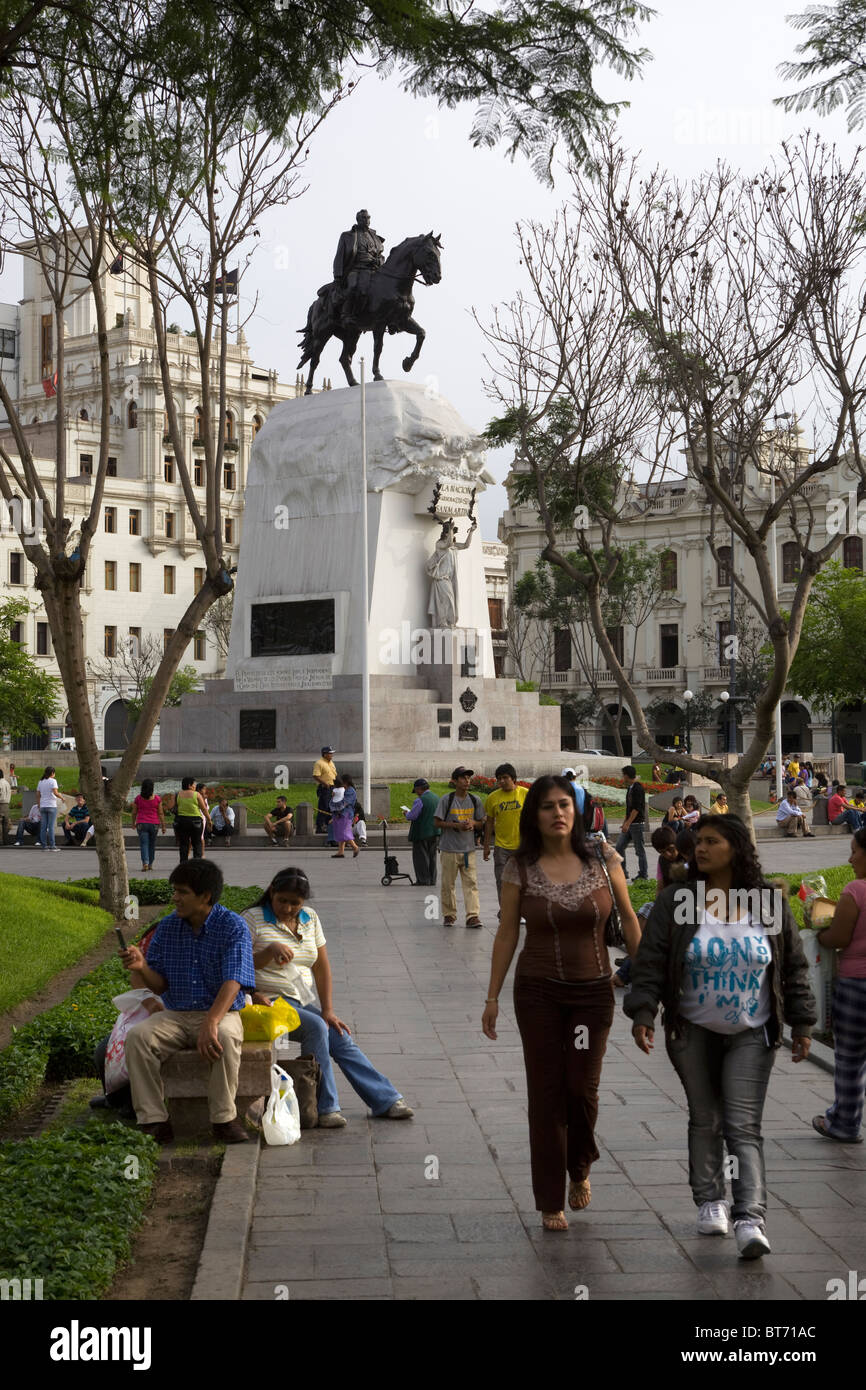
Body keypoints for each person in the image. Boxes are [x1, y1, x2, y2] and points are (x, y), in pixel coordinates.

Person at [625, 814, 816, 1259]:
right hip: (691, 1028)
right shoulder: (679, 900)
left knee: (743, 1125)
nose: (701, 849)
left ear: (736, 847)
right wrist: (643, 1012)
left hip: (753, 1030)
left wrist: (803, 1023)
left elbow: (793, 966)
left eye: (712, 841)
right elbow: (651, 961)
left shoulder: (766, 900)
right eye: (699, 842)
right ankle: (711, 1202)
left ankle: (750, 1216)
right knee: (705, 1118)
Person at [482, 775, 641, 1231]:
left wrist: (650, 981)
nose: (557, 813)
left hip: (593, 993)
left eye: (564, 805)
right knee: (546, 1095)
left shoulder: (604, 859)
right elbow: (508, 930)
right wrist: (491, 996)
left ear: (577, 810)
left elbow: (630, 920)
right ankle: (551, 1199)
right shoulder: (520, 867)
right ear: (535, 814)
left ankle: (581, 1164)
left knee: (581, 1091)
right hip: (537, 992)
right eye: (548, 806)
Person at [243, 868, 413, 1127]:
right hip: (266, 1002)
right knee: (316, 1028)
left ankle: (385, 1100)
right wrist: (268, 954)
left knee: (339, 1035)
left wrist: (328, 1009)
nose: (288, 908)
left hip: (298, 1000)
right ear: (272, 893)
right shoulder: (252, 919)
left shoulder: (310, 918)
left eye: (295, 903)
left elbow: (321, 967)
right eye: (282, 901)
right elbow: (236, 965)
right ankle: (325, 1107)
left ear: (304, 903)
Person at [120, 859, 256, 1144]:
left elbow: (234, 981)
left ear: (205, 896)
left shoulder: (233, 927)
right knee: (138, 1038)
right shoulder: (168, 928)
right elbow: (160, 985)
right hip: (176, 1014)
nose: (175, 898)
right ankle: (154, 1121)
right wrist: (142, 966)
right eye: (175, 891)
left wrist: (211, 1021)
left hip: (221, 1011)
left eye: (182, 892)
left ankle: (224, 1120)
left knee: (225, 1038)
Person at [811, 826, 866, 1144]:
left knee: (849, 1060)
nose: (850, 858)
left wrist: (819, 934)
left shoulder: (856, 891)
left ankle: (845, 1124)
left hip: (856, 988)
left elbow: (839, 938)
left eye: (854, 851)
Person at [434, 767, 486, 928]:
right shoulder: (446, 799)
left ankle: (472, 916)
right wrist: (455, 825)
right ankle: (449, 915)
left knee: (471, 883)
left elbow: (481, 821)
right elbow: (437, 822)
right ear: (454, 781)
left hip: (468, 849)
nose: (467, 781)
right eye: (463, 778)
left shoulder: (475, 799)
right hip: (449, 849)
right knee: (448, 884)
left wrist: (473, 823)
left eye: (468, 778)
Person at [484, 764, 528, 912]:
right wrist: (485, 846)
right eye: (498, 779)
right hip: (501, 847)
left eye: (505, 778)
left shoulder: (525, 794)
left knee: (522, 882)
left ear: (514, 779)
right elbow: (489, 823)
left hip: (522, 847)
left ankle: (520, 911)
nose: (501, 781)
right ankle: (506, 912)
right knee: (502, 882)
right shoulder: (493, 797)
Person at [402, 777, 441, 886]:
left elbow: (412, 816)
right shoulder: (436, 798)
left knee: (421, 857)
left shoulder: (420, 800)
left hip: (422, 833)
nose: (417, 794)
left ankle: (423, 880)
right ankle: (432, 879)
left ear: (419, 789)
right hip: (435, 832)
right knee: (432, 857)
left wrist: (406, 814)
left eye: (416, 791)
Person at [615, 766, 649, 881]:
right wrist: (624, 823)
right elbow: (629, 809)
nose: (622, 777)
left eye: (623, 774)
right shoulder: (630, 788)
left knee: (639, 851)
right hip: (629, 825)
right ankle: (623, 872)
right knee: (619, 846)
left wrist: (628, 823)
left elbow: (636, 808)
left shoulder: (637, 788)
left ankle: (643, 874)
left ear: (627, 775)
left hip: (637, 824)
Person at [175, 776, 211, 860]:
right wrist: (209, 820)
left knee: (184, 844)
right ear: (189, 785)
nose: (195, 786)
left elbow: (172, 806)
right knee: (197, 843)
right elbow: (204, 809)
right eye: (194, 784)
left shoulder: (178, 794)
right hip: (196, 821)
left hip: (182, 821)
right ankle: (196, 863)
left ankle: (183, 863)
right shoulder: (196, 794)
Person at [133, 779, 165, 872]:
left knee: (144, 844)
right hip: (154, 824)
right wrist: (163, 826)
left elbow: (134, 812)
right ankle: (150, 864)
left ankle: (145, 863)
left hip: (141, 824)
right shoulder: (157, 799)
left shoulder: (138, 798)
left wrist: (133, 823)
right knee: (152, 844)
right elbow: (161, 813)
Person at [330, 775, 359, 858]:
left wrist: (336, 807)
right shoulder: (341, 790)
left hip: (345, 814)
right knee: (339, 831)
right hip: (338, 814)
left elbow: (345, 803)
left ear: (346, 782)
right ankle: (341, 851)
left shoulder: (350, 791)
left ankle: (355, 847)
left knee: (344, 832)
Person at [313, 746, 338, 839]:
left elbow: (334, 774)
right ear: (325, 754)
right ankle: (319, 826)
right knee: (324, 807)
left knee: (330, 807)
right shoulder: (319, 763)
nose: (332, 755)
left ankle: (327, 825)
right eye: (330, 753)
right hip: (325, 787)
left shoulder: (331, 763)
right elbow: (316, 776)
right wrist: (325, 784)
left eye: (332, 753)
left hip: (332, 787)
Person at [37, 765, 61, 851]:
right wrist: (62, 797)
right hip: (51, 805)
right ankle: (52, 846)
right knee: (51, 827)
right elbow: (55, 793)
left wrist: (39, 805)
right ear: (52, 773)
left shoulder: (41, 781)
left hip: (43, 806)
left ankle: (44, 846)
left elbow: (38, 795)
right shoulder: (53, 781)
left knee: (43, 827)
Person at [0, 766, 11, 845]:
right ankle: (6, 840)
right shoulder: (7, 782)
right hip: (6, 804)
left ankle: (0, 841)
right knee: (6, 823)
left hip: (0, 804)